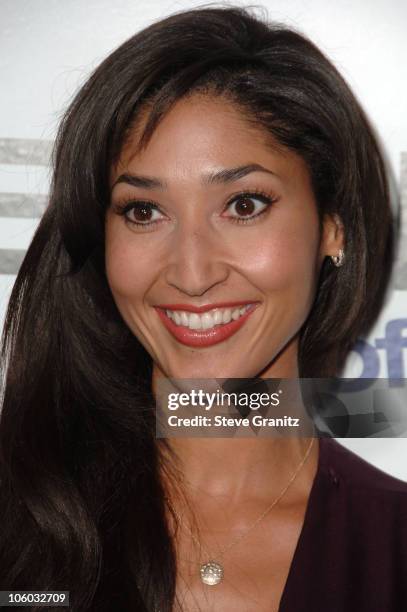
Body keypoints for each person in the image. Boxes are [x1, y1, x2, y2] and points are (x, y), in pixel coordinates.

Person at [0, 5, 405, 612]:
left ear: (334, 226)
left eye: (243, 205)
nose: (192, 274)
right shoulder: (22, 517)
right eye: (143, 211)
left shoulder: (395, 546)